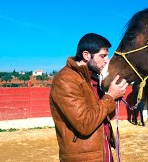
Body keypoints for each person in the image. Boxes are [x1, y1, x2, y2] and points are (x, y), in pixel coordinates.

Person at [50, 33, 128, 162]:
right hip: (83, 156)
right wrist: (110, 96)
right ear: (86, 55)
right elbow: (84, 124)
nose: (106, 60)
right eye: (102, 56)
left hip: (102, 150)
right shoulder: (65, 80)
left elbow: (106, 116)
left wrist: (114, 97)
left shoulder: (95, 78)